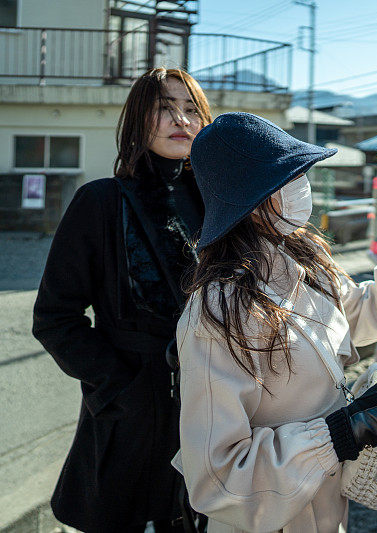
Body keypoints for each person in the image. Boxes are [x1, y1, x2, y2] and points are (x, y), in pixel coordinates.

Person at [173, 112, 377, 532]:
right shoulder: (216, 313)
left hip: (325, 508)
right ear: (251, 199)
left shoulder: (302, 259)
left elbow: (365, 316)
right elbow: (218, 478)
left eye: (301, 174)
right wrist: (342, 434)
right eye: (288, 179)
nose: (303, 187)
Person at [32, 67, 212, 532]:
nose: (181, 119)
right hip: (132, 408)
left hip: (212, 405)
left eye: (191, 108)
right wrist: (118, 388)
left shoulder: (222, 204)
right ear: (138, 119)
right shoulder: (101, 201)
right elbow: (55, 318)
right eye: (164, 107)